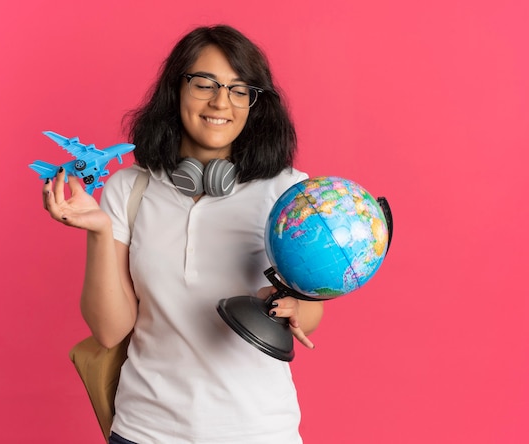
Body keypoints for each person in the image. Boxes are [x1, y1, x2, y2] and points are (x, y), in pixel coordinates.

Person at [42, 25, 324, 444]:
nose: (220, 102)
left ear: (254, 103)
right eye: (204, 83)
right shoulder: (130, 188)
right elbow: (109, 330)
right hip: (144, 431)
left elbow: (309, 310)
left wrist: (294, 308)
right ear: (176, 89)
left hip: (258, 431)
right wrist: (100, 231)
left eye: (238, 89)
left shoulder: (285, 192)